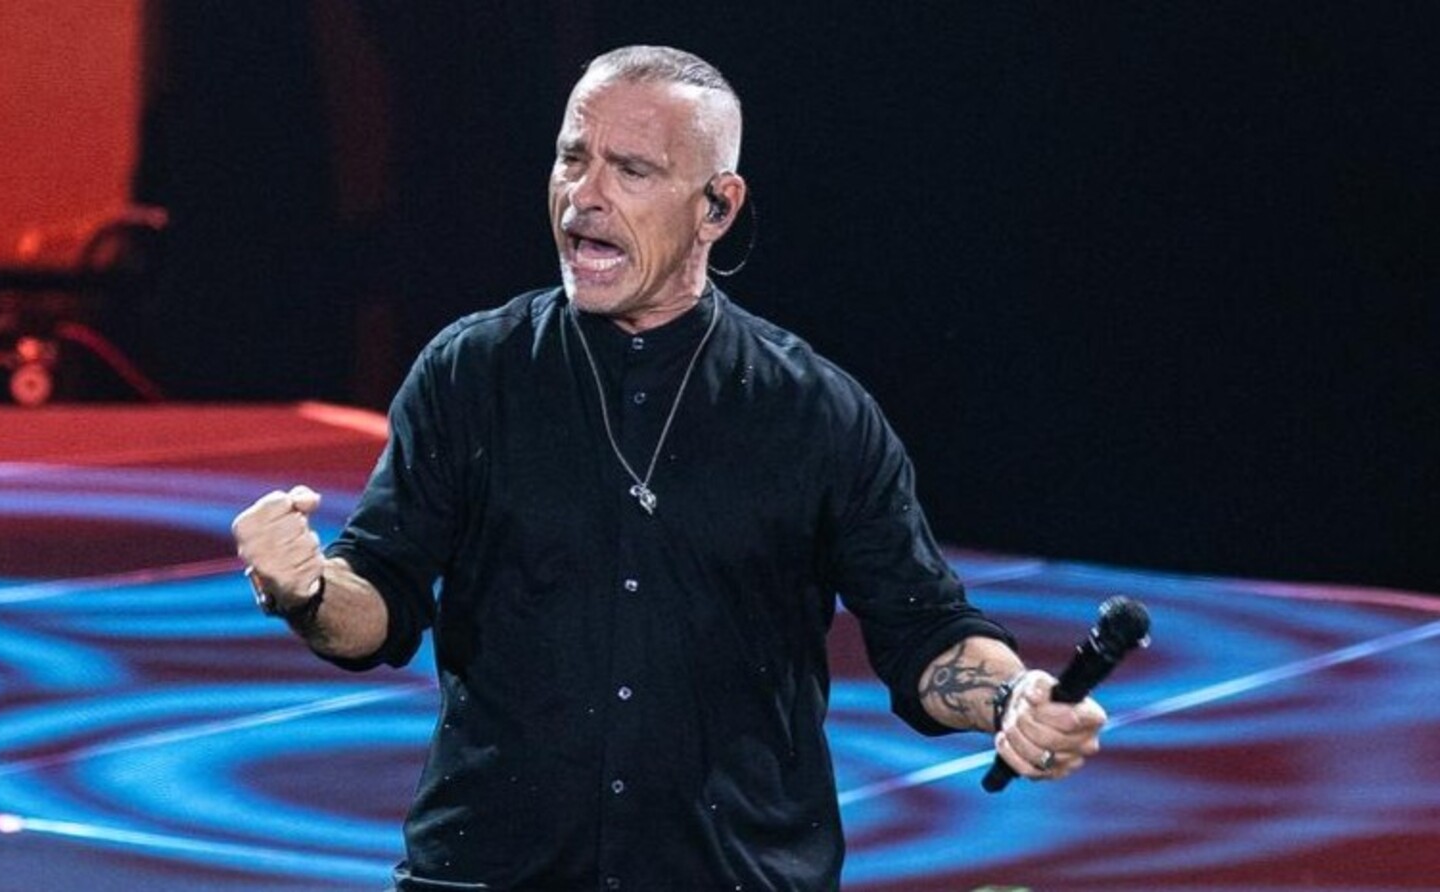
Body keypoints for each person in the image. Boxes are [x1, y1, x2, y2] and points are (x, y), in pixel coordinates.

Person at [232, 45, 1107, 892]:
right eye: (572, 157)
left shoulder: (814, 412)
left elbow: (925, 629)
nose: (584, 195)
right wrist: (308, 589)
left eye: (631, 170)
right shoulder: (472, 374)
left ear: (717, 207)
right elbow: (378, 603)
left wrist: (1013, 698)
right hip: (493, 871)